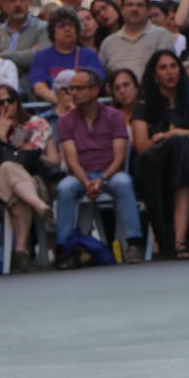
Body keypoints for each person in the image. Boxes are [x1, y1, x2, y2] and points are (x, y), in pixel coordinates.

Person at [132, 50, 189, 259]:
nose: (170, 72)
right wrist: (174, 133)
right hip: (154, 168)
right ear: (154, 74)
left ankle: (179, 243)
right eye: (163, 68)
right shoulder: (143, 105)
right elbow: (142, 147)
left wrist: (174, 138)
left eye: (173, 66)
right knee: (179, 144)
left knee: (183, 162)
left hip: (187, 167)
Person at [57, 68, 146, 263]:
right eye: (71, 89)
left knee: (123, 182)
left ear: (95, 91)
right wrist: (87, 182)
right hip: (80, 175)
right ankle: (64, 248)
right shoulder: (65, 121)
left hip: (109, 173)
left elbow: (120, 156)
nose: (74, 93)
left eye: (79, 88)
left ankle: (134, 242)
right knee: (64, 188)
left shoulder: (114, 116)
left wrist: (102, 179)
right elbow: (71, 160)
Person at [0, 84, 57, 273]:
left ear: (18, 101)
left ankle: (21, 249)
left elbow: (54, 160)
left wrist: (34, 153)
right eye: (0, 102)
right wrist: (1, 135)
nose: (6, 105)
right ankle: (40, 207)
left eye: (10, 100)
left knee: (18, 190)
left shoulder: (35, 123)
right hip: (1, 181)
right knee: (9, 168)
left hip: (32, 178)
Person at [28, 9, 105, 106]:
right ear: (52, 31)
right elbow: (39, 87)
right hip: (53, 108)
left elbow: (96, 83)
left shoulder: (89, 55)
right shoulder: (41, 57)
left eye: (71, 25)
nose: (67, 29)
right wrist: (62, 102)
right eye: (61, 26)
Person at [99, 0, 175, 79]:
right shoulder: (108, 43)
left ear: (148, 10)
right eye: (129, 5)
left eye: (140, 5)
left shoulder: (162, 36)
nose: (134, 9)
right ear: (121, 9)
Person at [0, 0, 50, 76]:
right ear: (4, 4)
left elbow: (41, 57)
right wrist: (27, 54)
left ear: (29, 1)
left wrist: (1, 57)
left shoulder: (43, 28)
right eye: (12, 0)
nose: (18, 4)